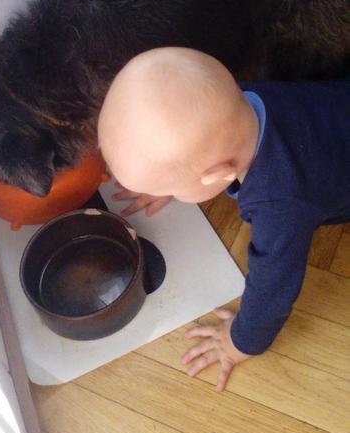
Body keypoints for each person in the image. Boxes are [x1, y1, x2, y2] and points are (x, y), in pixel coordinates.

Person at [98, 47, 350, 390]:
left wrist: (239, 341)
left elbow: (273, 290)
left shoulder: (279, 206)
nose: (166, 191)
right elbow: (191, 138)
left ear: (217, 174)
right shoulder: (241, 102)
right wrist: (174, 176)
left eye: (169, 187)